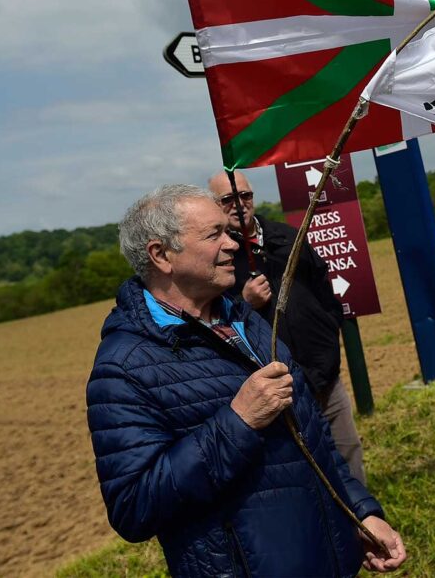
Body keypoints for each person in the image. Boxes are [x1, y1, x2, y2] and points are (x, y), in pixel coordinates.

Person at [86, 184, 405, 577]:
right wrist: (238, 422)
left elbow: (313, 435)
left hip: (330, 558)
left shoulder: (244, 319)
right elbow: (133, 507)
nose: (233, 244)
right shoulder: (124, 367)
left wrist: (359, 513)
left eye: (228, 231)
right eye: (213, 234)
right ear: (161, 255)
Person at [207, 170, 367, 484]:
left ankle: (366, 528)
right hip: (278, 388)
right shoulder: (216, 259)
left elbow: (324, 289)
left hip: (324, 375)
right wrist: (244, 303)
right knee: (305, 470)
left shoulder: (287, 236)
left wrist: (327, 337)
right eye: (228, 199)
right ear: (215, 206)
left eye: (245, 195)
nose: (239, 204)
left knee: (349, 455)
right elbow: (212, 325)